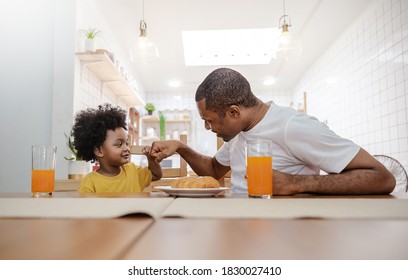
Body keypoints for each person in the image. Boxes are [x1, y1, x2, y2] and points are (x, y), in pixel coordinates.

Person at [149, 68, 395, 195]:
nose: (208, 128)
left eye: (210, 121)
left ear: (234, 112)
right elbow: (214, 170)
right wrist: (181, 148)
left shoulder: (294, 126)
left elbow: (382, 177)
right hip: (239, 223)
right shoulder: (239, 133)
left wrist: (295, 183)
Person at [71, 103, 162, 193]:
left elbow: (156, 175)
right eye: (118, 144)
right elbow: (86, 206)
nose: (126, 148)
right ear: (99, 150)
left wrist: (151, 160)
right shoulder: (89, 183)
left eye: (126, 143)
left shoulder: (133, 171)